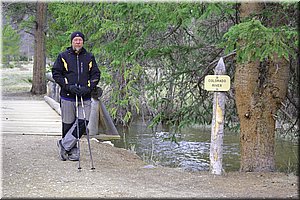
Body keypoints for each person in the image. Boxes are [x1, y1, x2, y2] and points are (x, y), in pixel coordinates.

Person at [52, 31, 100, 161]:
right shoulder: (63, 56)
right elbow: (56, 73)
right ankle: (72, 150)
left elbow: (95, 74)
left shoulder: (89, 57)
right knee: (68, 124)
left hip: (84, 97)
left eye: (80, 40)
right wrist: (68, 86)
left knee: (83, 123)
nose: (78, 42)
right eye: (75, 40)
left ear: (83, 42)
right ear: (72, 41)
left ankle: (64, 145)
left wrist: (88, 88)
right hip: (68, 96)